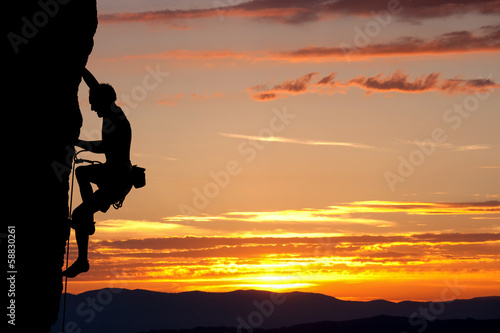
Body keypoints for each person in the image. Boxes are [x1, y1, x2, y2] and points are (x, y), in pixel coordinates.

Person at [63, 68, 132, 278]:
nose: (92, 108)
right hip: (114, 174)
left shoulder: (114, 119)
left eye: (93, 103)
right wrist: (80, 67)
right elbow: (95, 86)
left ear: (103, 102)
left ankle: (83, 260)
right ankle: (89, 220)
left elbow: (104, 147)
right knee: (82, 174)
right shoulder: (112, 110)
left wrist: (78, 142)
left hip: (117, 179)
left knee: (78, 214)